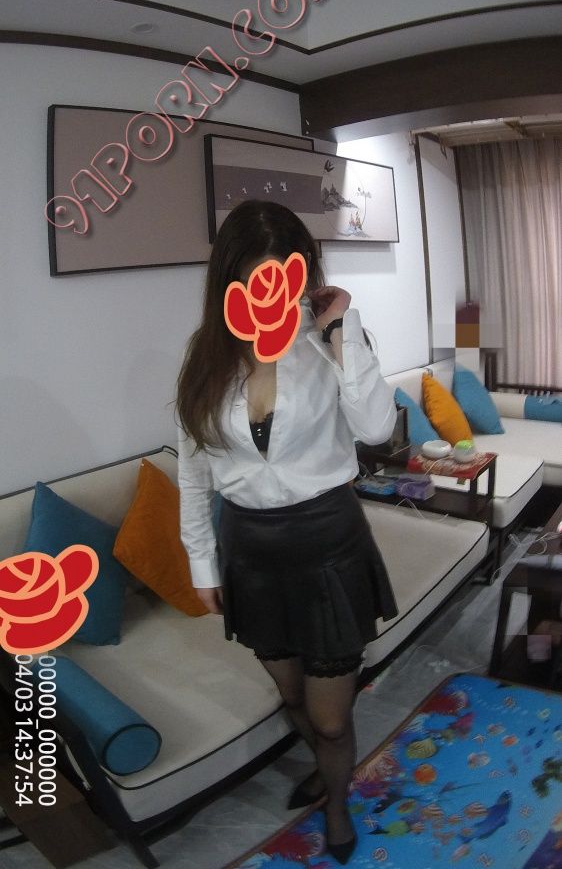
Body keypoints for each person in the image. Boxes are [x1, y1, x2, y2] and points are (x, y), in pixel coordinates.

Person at [175, 199, 399, 864]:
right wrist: (202, 563)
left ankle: (337, 801)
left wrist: (341, 328)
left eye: (286, 278)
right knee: (294, 694)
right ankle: (327, 769)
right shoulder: (206, 355)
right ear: (229, 282)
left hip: (328, 543)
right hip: (250, 552)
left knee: (330, 717)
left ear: (304, 276)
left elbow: (376, 427)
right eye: (254, 281)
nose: (271, 296)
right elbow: (193, 469)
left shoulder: (328, 339)